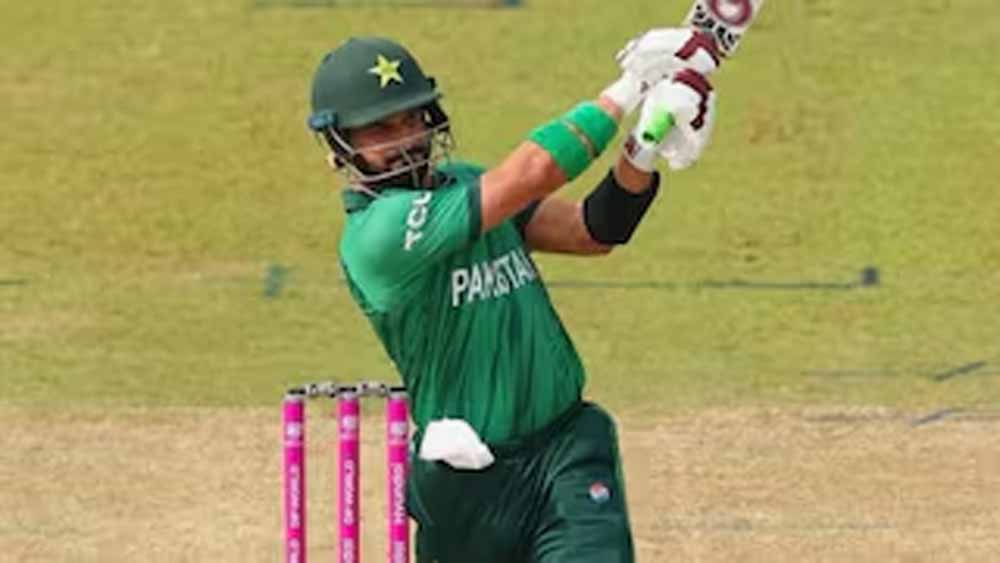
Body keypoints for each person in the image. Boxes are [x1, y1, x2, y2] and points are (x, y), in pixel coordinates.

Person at [306, 30, 720, 563]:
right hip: (469, 477)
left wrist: (645, 143)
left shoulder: (466, 184)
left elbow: (591, 231)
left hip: (565, 449)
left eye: (411, 119)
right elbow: (534, 171)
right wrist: (631, 86)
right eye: (381, 129)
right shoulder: (376, 235)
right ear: (340, 144)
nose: (405, 139)